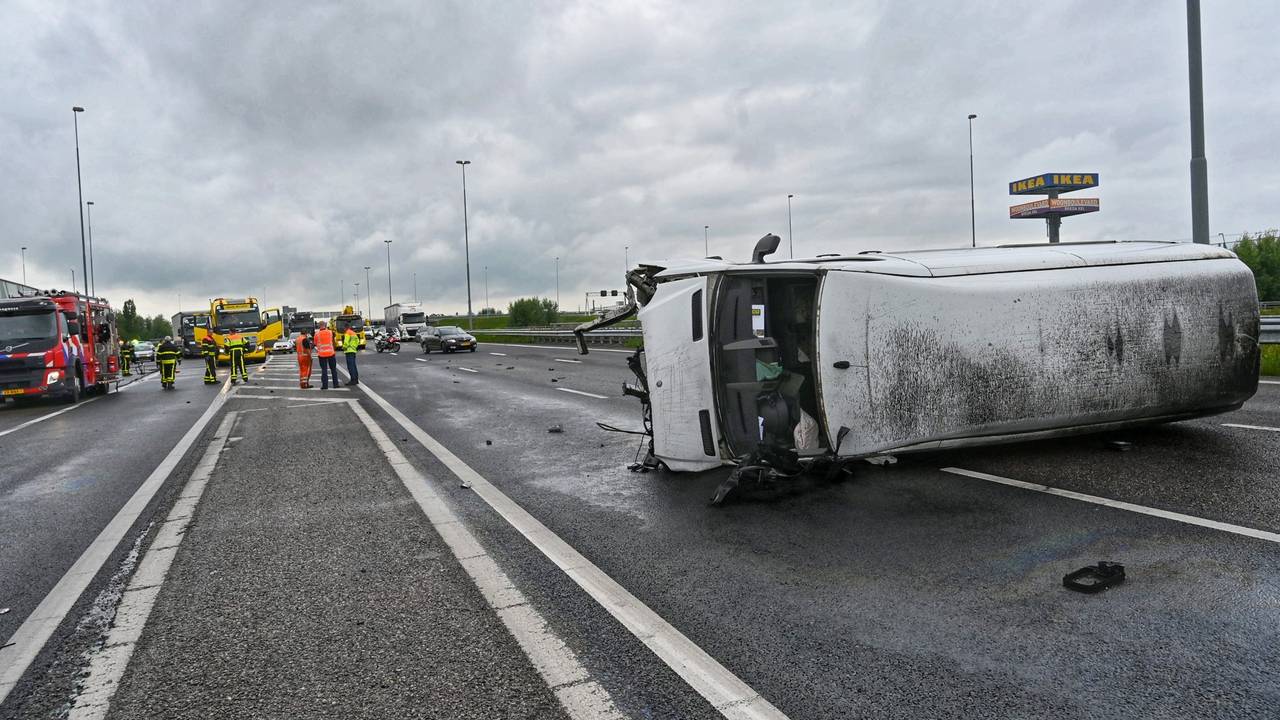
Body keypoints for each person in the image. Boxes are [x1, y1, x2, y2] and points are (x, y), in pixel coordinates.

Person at [314, 321, 339, 390]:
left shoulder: (317, 334)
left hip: (322, 354)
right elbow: (333, 341)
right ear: (325, 325)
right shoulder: (330, 332)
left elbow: (315, 343)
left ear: (319, 326)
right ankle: (335, 384)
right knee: (333, 369)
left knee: (324, 370)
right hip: (331, 353)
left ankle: (325, 385)